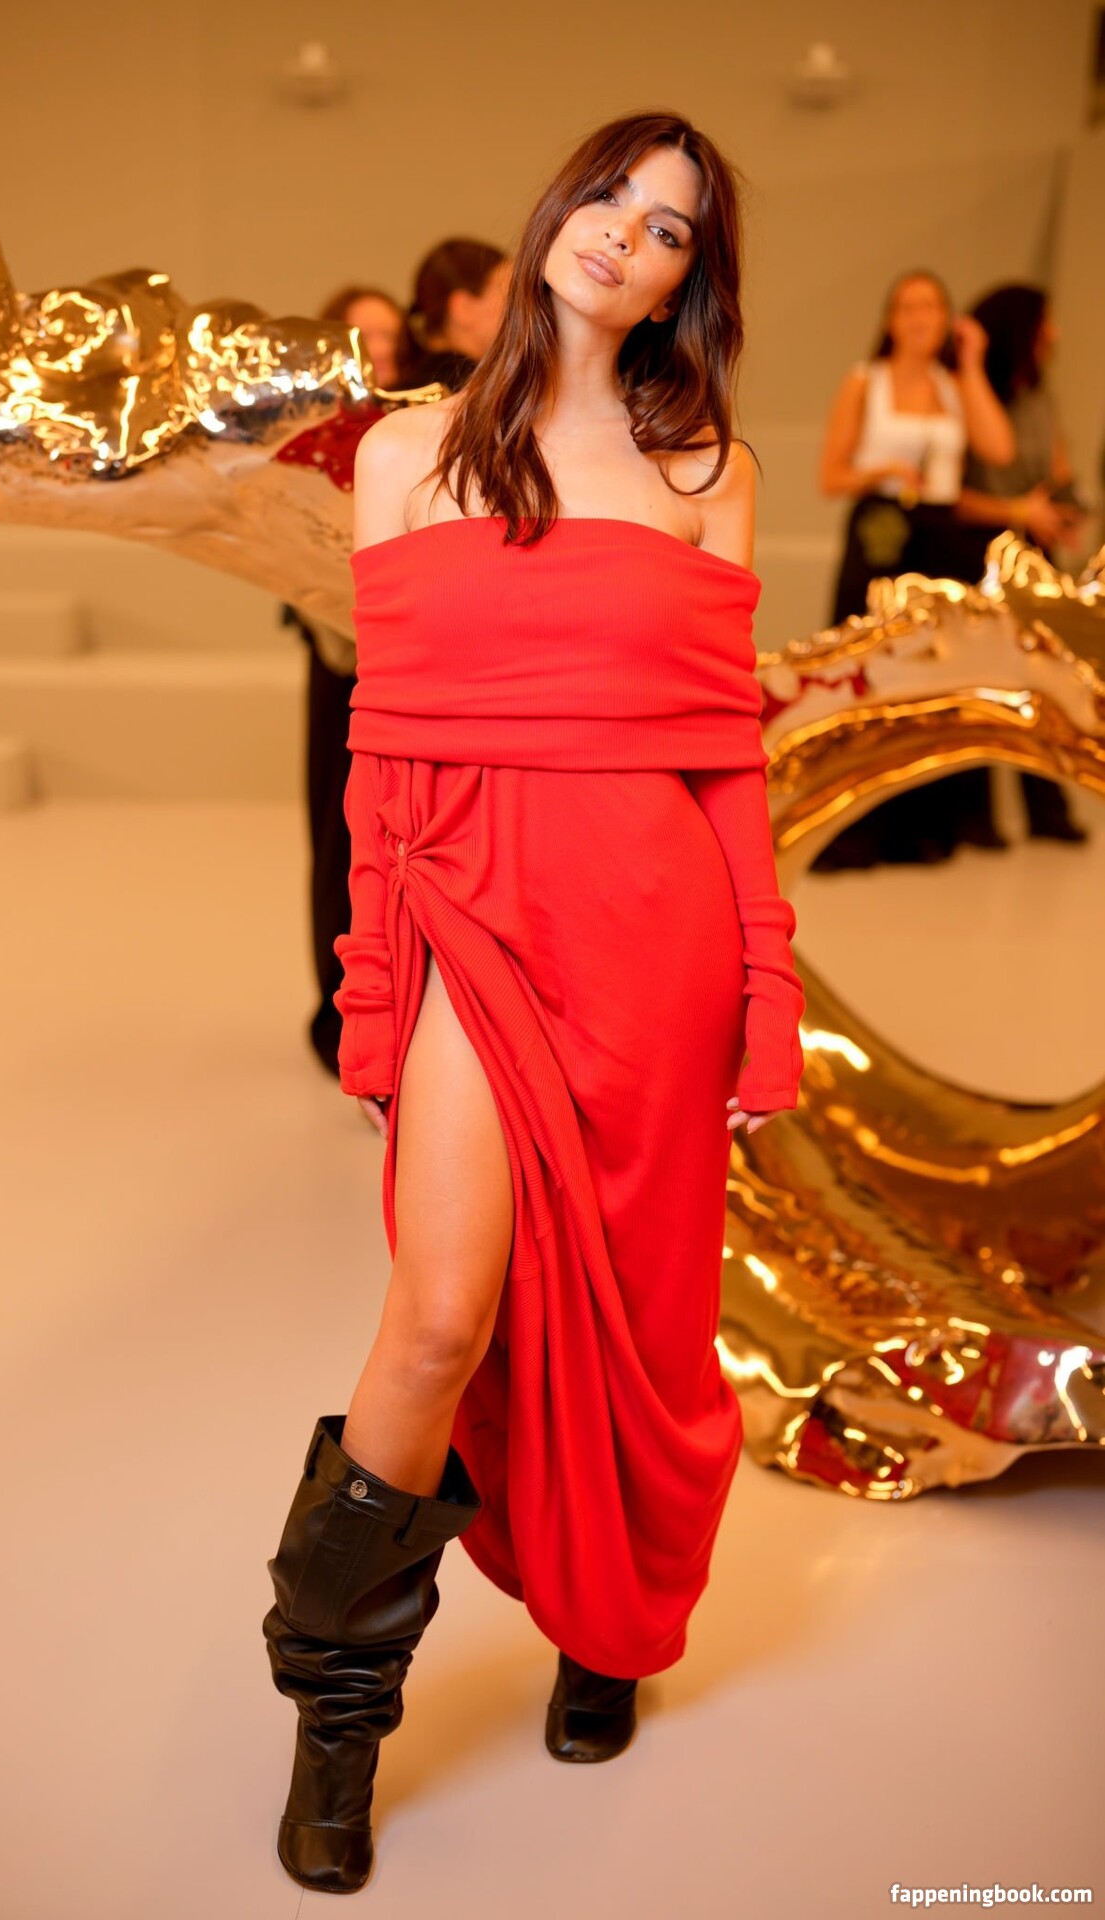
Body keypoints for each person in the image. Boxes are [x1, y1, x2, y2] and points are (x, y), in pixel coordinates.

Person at [261, 109, 807, 1896]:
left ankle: (602, 1625)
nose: (625, 237)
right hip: (470, 916)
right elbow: (379, 760)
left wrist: (765, 990)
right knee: (438, 1318)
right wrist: (368, 995)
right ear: (556, 209)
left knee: (640, 1324)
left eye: (670, 230)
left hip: (652, 939)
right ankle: (337, 1712)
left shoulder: (704, 469)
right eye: (611, 198)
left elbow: (724, 761)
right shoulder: (402, 454)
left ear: (683, 288)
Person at [284, 270, 508, 1077]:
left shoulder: (417, 427)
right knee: (341, 840)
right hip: (340, 663)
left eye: (387, 334)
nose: (377, 347)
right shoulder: (308, 432)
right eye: (361, 335)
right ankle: (342, 1014)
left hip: (414, 668)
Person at [814, 270, 1016, 869]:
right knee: (873, 671)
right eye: (908, 306)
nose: (920, 317)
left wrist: (972, 364)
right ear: (891, 319)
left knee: (935, 678)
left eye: (932, 306)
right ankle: (859, 826)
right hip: (883, 531)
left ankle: (927, 824)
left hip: (941, 538)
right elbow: (830, 476)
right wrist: (881, 473)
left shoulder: (955, 386)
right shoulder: (865, 381)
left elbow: (1000, 450)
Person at [946, 283, 1090, 844]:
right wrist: (1018, 510)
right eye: (1044, 322)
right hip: (979, 549)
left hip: (1036, 550)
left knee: (1046, 678)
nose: (1054, 334)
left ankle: (1046, 806)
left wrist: (1065, 511)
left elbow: (1058, 470)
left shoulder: (1041, 397)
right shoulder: (966, 391)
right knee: (979, 680)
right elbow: (953, 494)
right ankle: (973, 814)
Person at [401, 236, 512, 390]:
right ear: (463, 308)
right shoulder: (488, 395)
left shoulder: (397, 393)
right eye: (509, 297)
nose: (523, 312)